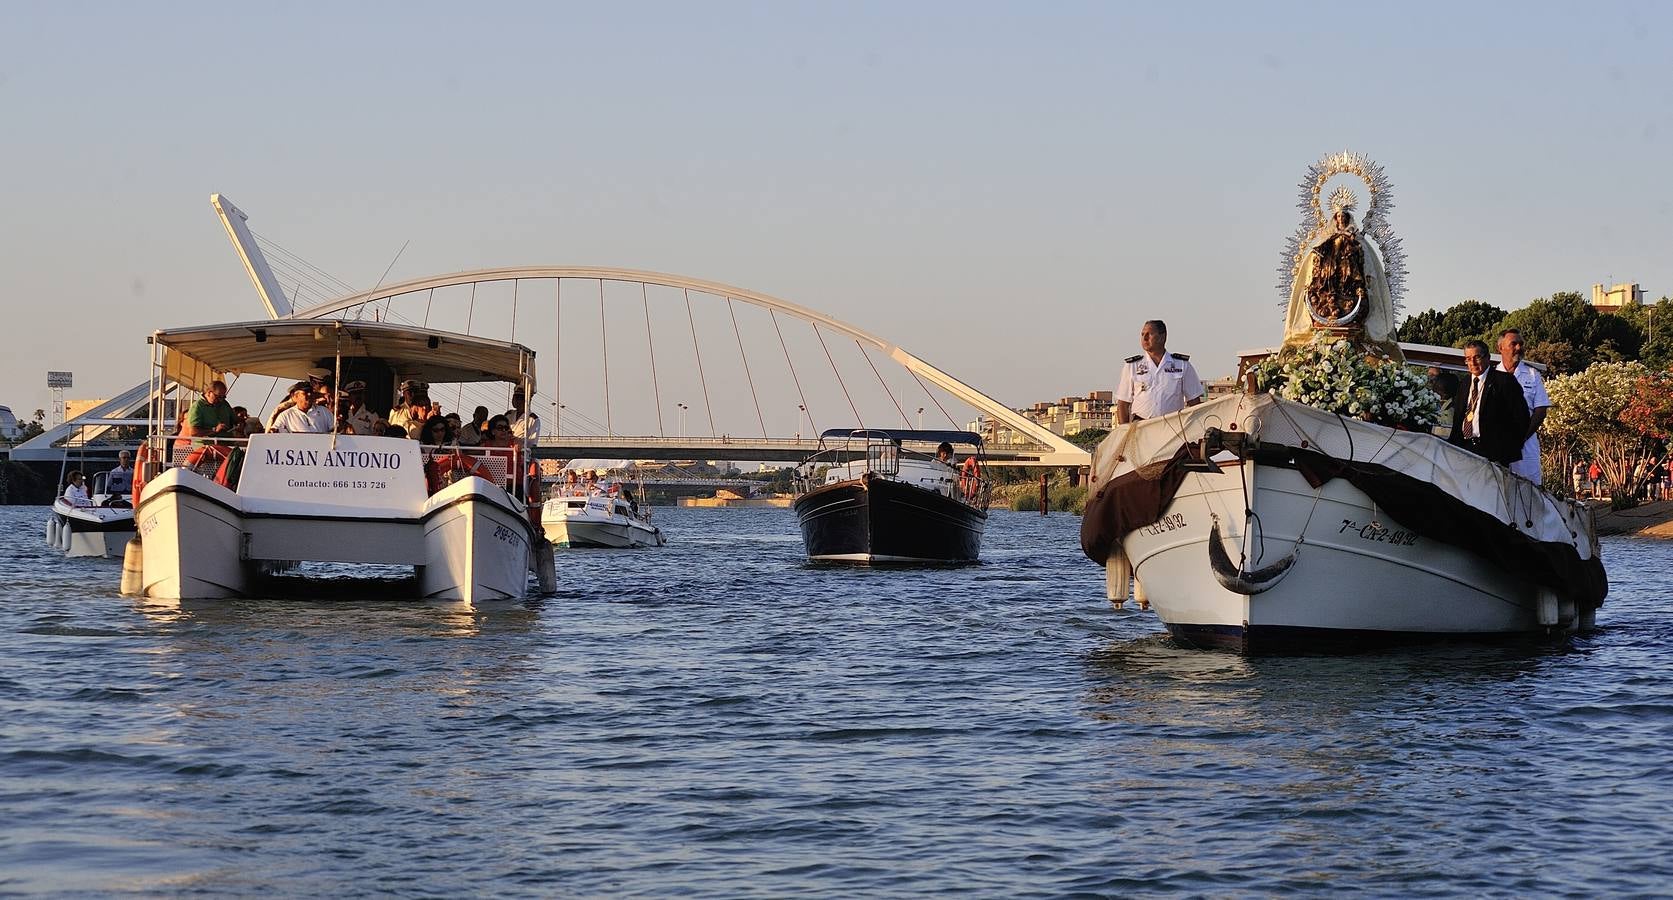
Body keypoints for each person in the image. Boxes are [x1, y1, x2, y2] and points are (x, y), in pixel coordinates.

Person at [1454, 340, 1530, 466]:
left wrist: (1505, 452)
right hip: (1465, 449)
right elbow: (1458, 418)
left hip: (1493, 454)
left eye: (1477, 357)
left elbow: (1521, 419)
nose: (1472, 362)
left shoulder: (1504, 381)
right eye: (1468, 359)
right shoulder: (1465, 383)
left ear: (1488, 358)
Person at [1115, 320, 1203, 424]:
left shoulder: (1182, 365)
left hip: (1173, 428)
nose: (1145, 338)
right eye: (1142, 334)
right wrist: (1124, 432)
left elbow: (1194, 402)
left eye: (1150, 334)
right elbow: (1123, 404)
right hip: (1141, 426)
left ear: (1162, 337)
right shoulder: (1132, 366)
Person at [1497, 329, 1550, 484]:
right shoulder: (1492, 376)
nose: (1519, 348)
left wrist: (1521, 437)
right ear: (1500, 348)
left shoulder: (1533, 375)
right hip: (1499, 444)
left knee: (1529, 491)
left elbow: (1540, 411)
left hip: (1526, 445)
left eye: (1521, 344)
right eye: (1514, 344)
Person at [1427, 369, 1460, 440]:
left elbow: (1444, 434)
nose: (1433, 391)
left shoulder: (1450, 411)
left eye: (1437, 389)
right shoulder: (1434, 405)